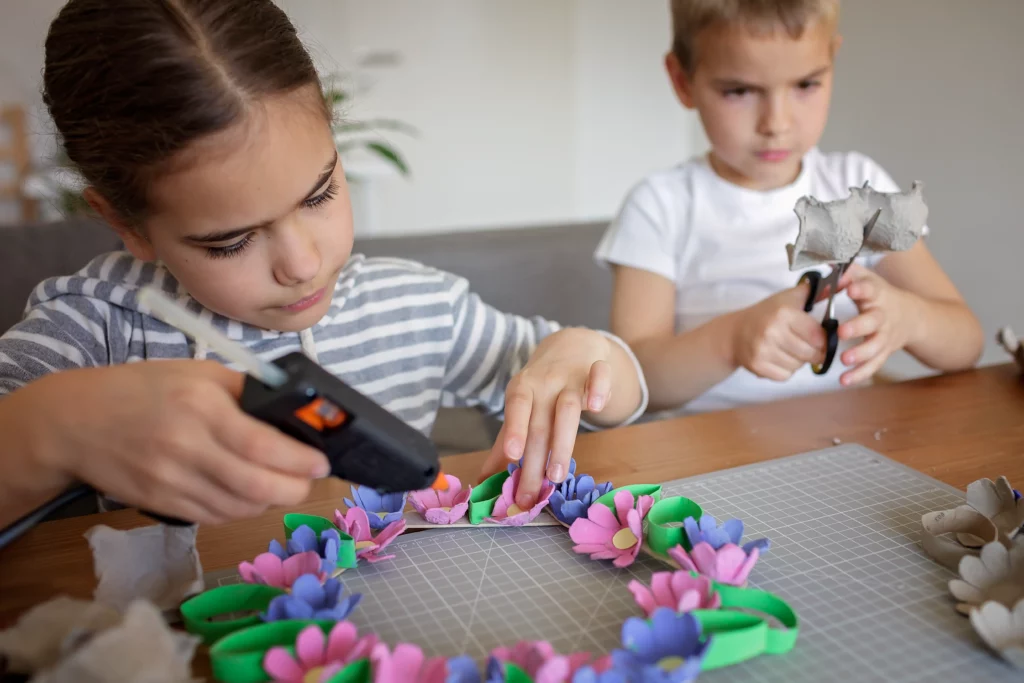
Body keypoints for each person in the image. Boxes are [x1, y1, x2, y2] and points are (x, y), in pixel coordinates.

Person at [0, 0, 648, 530]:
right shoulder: (96, 329)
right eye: (230, 241)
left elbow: (609, 391)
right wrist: (54, 426)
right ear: (125, 222)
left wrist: (586, 354)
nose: (303, 263)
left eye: (319, 195)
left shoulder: (416, 309)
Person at [595, 0, 982, 417]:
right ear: (682, 81)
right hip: (708, 455)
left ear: (832, 60)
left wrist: (912, 319)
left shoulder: (860, 193)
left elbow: (967, 341)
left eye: (805, 85)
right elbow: (632, 376)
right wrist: (730, 341)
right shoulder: (660, 205)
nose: (776, 123)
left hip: (849, 445)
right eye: (739, 91)